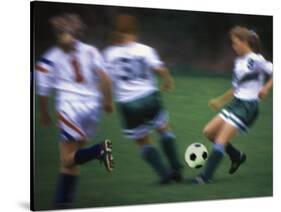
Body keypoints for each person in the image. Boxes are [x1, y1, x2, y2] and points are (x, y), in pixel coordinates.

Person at [35, 13, 114, 208]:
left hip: (70, 108)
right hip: (92, 107)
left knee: (66, 158)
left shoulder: (49, 58)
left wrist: (43, 113)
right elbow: (105, 78)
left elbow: (43, 91)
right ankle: (63, 202)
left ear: (57, 33)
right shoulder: (92, 51)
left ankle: (99, 150)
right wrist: (107, 101)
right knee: (71, 159)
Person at [103, 15, 183, 184]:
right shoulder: (145, 49)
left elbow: (107, 81)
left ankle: (164, 174)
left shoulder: (110, 53)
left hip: (128, 103)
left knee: (142, 140)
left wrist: (108, 101)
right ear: (135, 32)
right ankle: (176, 168)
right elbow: (159, 68)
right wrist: (168, 80)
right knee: (164, 129)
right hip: (149, 97)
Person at [195, 26, 273, 184]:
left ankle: (205, 177)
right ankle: (236, 156)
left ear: (244, 42)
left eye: (235, 43)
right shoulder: (238, 62)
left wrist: (266, 87)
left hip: (248, 107)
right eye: (232, 43)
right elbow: (237, 88)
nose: (233, 46)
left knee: (220, 140)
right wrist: (220, 100)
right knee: (209, 132)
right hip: (236, 103)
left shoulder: (256, 59)